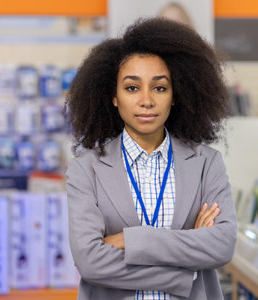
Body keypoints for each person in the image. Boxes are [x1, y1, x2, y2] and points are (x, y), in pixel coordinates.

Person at [64, 17, 237, 300]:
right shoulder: (87, 169)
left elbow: (221, 245)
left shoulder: (207, 163)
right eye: (132, 88)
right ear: (114, 96)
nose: (147, 100)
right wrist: (186, 269)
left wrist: (131, 241)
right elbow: (91, 262)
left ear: (175, 95)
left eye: (159, 87)